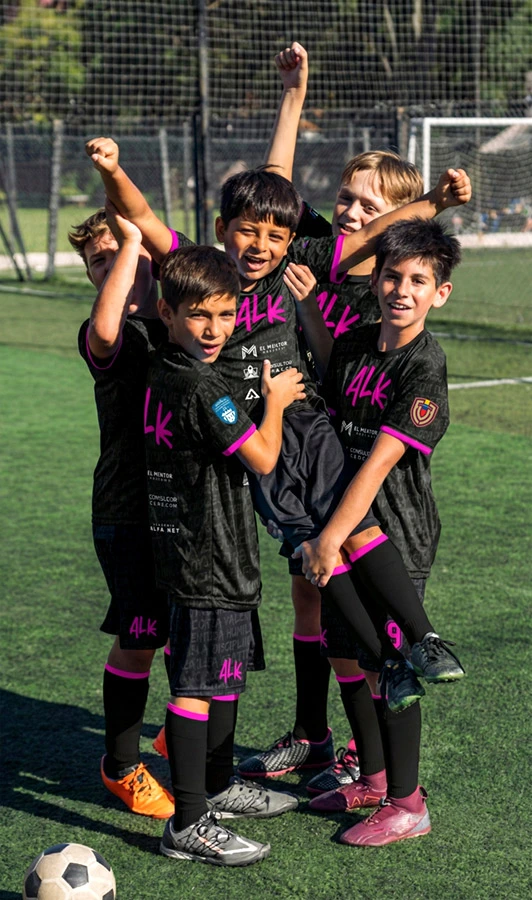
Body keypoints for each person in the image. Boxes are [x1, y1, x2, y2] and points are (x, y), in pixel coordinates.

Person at [84, 134, 469, 771]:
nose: (260, 246)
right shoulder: (206, 271)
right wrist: (114, 170)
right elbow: (144, 216)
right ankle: (389, 662)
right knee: (315, 552)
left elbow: (376, 235)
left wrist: (434, 201)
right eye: (247, 232)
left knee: (351, 526)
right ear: (221, 231)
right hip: (256, 439)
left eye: (274, 235)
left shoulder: (300, 256)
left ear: (289, 239)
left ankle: (423, 638)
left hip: (305, 423)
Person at [254, 43, 432, 793]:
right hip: (304, 465)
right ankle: (313, 734)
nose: (351, 212)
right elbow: (272, 193)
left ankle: (372, 760)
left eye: (369, 206)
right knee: (310, 594)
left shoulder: (383, 298)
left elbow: (347, 379)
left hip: (357, 481)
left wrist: (438, 203)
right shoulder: (317, 249)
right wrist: (294, 98)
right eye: (347, 198)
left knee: (359, 625)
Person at [293, 217, 463, 846]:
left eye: (419, 280)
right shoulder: (360, 342)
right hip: (344, 526)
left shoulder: (425, 366)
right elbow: (331, 368)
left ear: (440, 293)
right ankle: (373, 778)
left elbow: (379, 463)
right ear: (377, 280)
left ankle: (408, 803)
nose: (402, 290)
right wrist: (308, 305)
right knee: (357, 658)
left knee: (393, 669)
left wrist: (328, 538)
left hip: (395, 535)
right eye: (393, 276)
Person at [144, 243, 304, 865]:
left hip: (199, 548)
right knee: (196, 686)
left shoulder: (163, 366)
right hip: (208, 556)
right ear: (167, 312)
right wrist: (277, 403)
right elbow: (262, 459)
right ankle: (187, 822)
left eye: (226, 314)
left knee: (222, 675)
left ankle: (216, 784)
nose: (215, 330)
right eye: (199, 315)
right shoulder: (203, 385)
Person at [71, 203, 193, 819]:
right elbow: (107, 329)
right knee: (140, 636)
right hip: (127, 509)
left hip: (188, 506)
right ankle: (120, 766)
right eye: (98, 259)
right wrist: (127, 245)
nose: (114, 261)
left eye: (127, 247)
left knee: (192, 625)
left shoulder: (184, 323)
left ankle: (178, 731)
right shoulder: (105, 332)